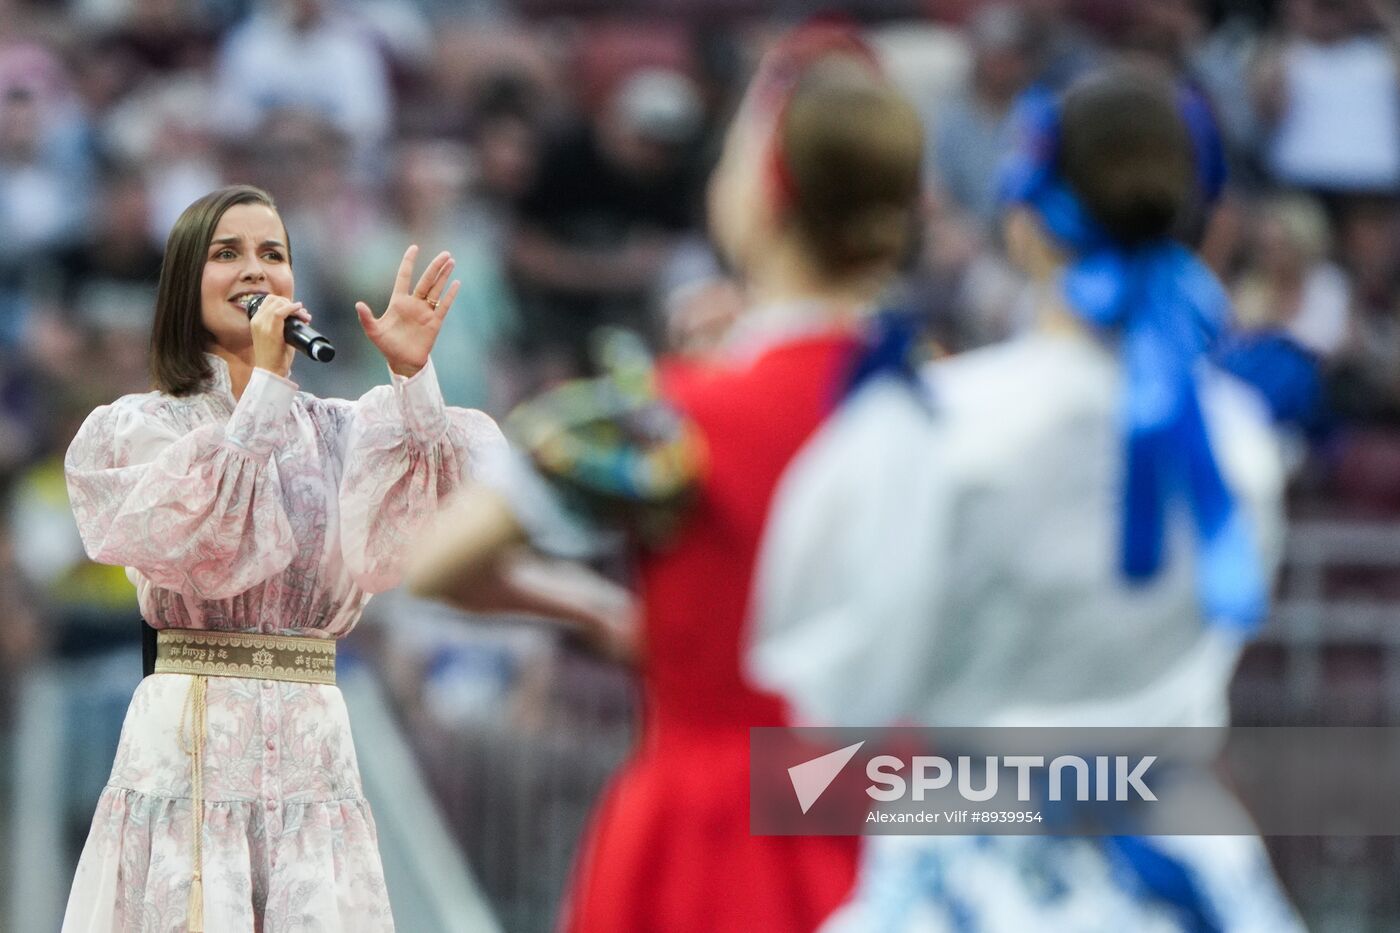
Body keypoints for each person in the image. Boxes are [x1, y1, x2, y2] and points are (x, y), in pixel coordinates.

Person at [748, 70, 1303, 931]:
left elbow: (833, 687)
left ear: (1026, 221)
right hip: (1183, 863)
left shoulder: (935, 425)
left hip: (970, 864)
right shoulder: (1242, 440)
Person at [407, 26, 924, 933]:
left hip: (712, 830)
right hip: (899, 813)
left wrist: (605, 618)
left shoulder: (666, 416)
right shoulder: (949, 406)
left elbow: (438, 562)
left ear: (766, 194)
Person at [60, 184, 505, 931]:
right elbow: (201, 544)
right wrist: (263, 386)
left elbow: (446, 512)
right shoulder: (140, 429)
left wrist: (410, 376)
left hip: (312, 748)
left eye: (273, 254)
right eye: (227, 253)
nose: (255, 270)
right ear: (182, 284)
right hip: (191, 745)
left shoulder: (338, 430)